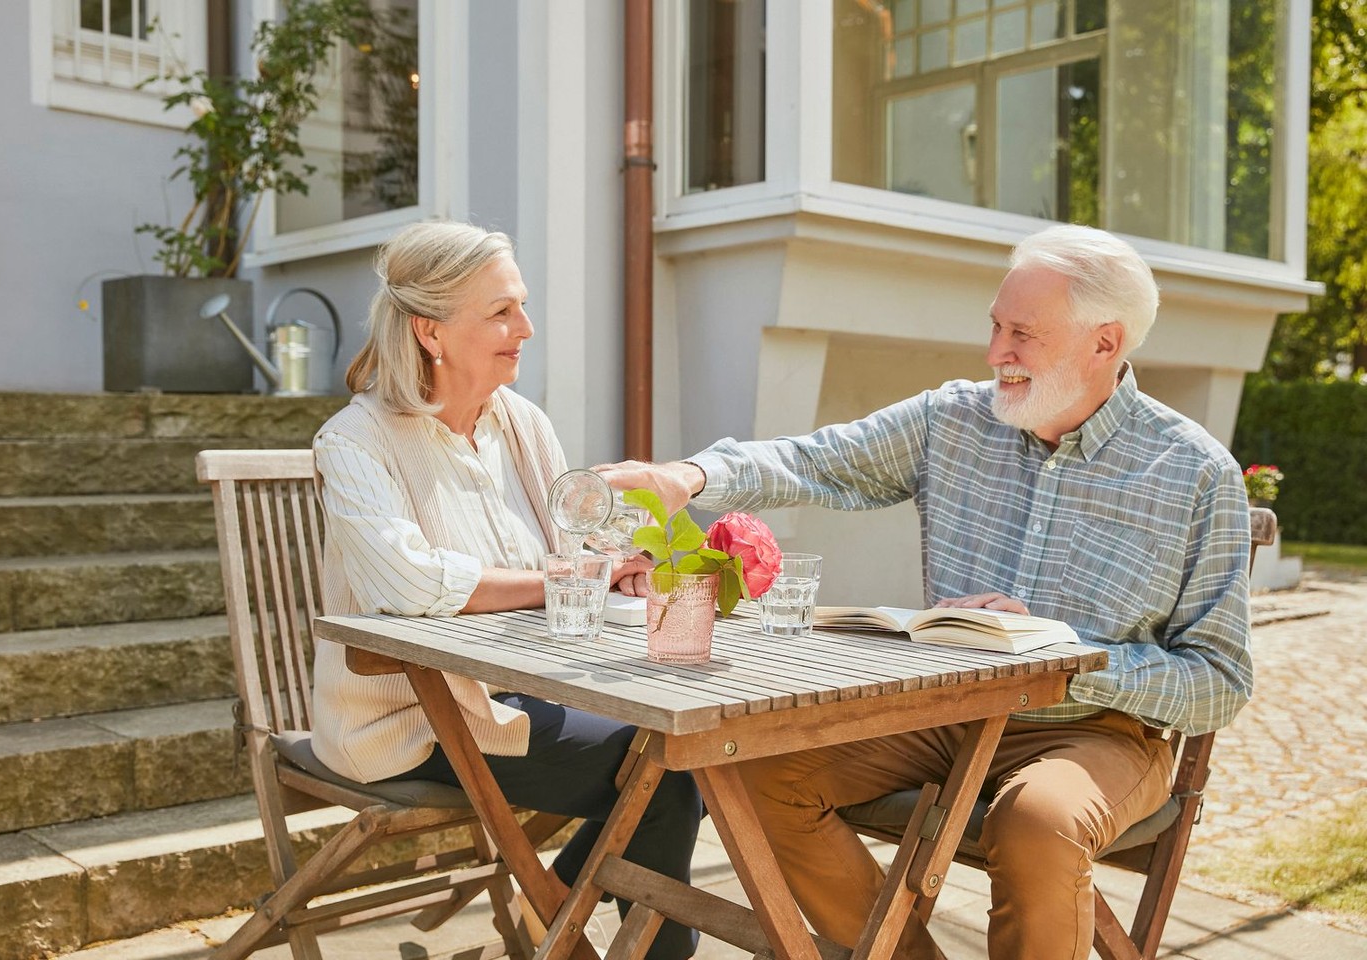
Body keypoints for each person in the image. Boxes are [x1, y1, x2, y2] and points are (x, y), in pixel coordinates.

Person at [595, 224, 1253, 959]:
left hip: (1097, 730)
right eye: (996, 326)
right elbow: (820, 463)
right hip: (944, 707)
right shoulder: (952, 419)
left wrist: (1063, 651)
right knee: (753, 773)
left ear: (1105, 343)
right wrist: (689, 477)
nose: (996, 353)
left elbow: (1218, 681)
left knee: (1037, 822)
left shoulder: (1194, 472)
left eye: (1022, 334)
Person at [311, 219, 701, 959]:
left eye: (520, 305)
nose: (524, 327)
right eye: (499, 311)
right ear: (430, 332)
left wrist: (622, 561)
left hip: (520, 694)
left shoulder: (522, 424)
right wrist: (573, 580)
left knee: (686, 752)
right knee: (667, 777)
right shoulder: (354, 441)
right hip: (407, 721)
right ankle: (569, 920)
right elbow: (414, 584)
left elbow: (576, 548)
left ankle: (553, 911)